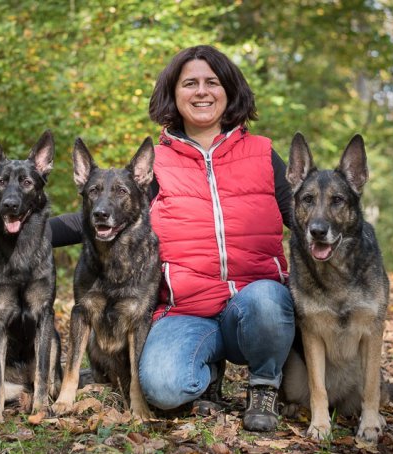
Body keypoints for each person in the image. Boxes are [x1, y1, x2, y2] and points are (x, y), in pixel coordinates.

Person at [49, 45, 295, 432]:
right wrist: (26, 234)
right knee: (162, 387)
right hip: (187, 311)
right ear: (174, 95)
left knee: (267, 300)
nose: (202, 92)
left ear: (229, 90)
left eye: (212, 82)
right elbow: (105, 214)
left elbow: (306, 216)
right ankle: (206, 377)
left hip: (251, 305)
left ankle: (263, 386)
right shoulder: (158, 165)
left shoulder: (262, 154)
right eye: (190, 83)